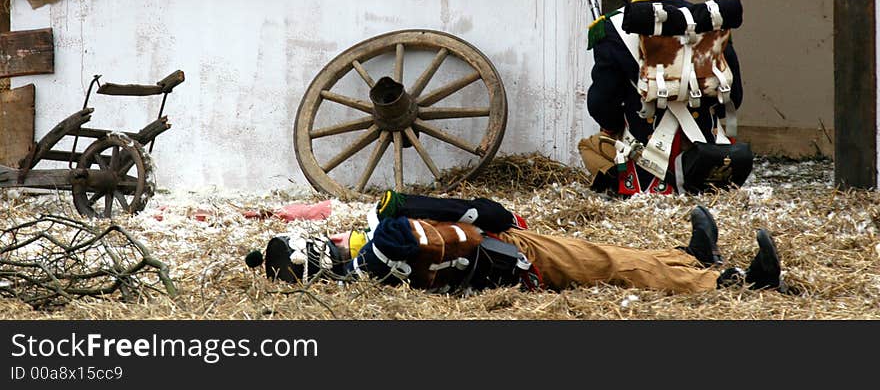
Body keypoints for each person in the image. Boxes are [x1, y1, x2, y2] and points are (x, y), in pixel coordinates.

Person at [245, 190, 787, 295]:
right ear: (317, 257)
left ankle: (688, 257)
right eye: (317, 241)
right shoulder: (372, 257)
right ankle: (729, 281)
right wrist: (472, 210)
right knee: (608, 268)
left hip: (503, 247)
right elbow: (405, 227)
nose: (326, 236)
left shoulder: (366, 257)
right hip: (509, 264)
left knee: (603, 255)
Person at [581, 0, 750, 196]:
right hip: (709, 165)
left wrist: (614, 127)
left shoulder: (611, 29)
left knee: (591, 148)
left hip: (648, 177)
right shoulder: (709, 21)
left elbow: (603, 105)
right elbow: (734, 96)